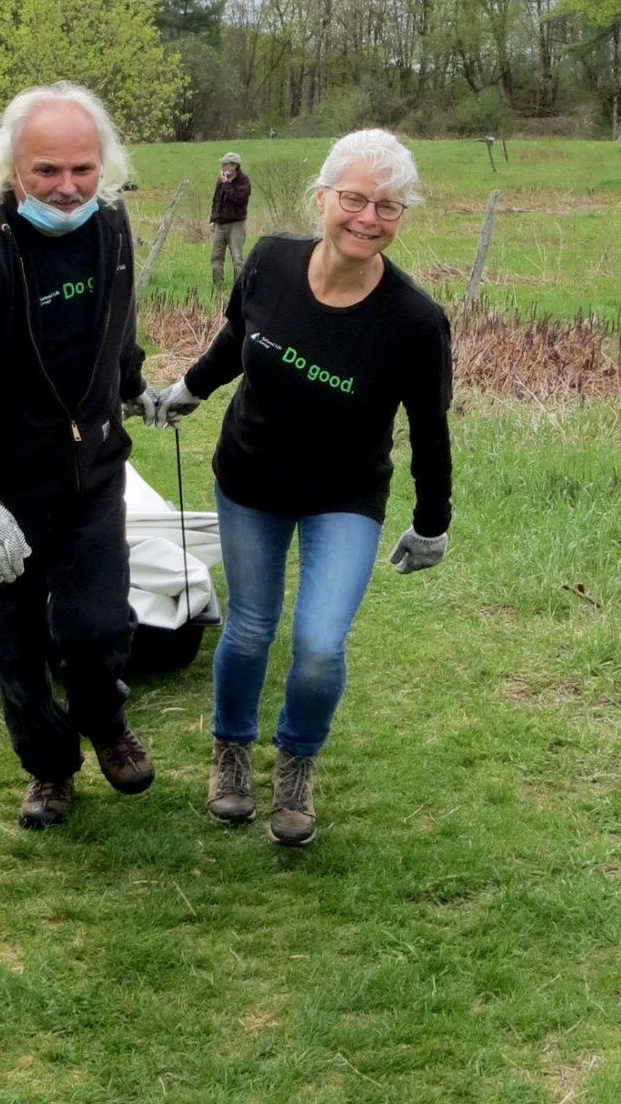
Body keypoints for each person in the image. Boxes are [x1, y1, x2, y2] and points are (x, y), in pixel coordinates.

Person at [153, 129, 452, 847]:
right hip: (251, 474)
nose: (367, 217)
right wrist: (188, 390)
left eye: (388, 205)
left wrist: (432, 522)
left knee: (318, 642)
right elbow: (236, 339)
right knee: (252, 625)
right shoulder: (270, 262)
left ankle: (295, 764)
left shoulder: (414, 322)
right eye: (353, 197)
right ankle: (231, 755)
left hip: (344, 493)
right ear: (322, 197)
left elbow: (431, 429)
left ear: (401, 215)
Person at [0, 82, 160, 830]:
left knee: (97, 630)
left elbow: (115, 322)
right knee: (13, 655)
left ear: (104, 167)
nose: (66, 188)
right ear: (10, 166)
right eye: (47, 170)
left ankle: (105, 720)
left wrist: (133, 385)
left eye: (82, 170)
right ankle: (50, 767)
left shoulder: (110, 226)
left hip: (89, 480)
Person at [208, 152, 251, 297]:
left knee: (237, 258)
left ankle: (238, 291)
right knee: (216, 257)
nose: (222, 166)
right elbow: (216, 201)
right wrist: (212, 219)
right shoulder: (221, 181)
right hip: (220, 223)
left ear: (234, 166)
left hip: (236, 224)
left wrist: (226, 184)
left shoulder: (244, 181)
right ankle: (217, 289)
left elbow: (238, 199)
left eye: (225, 164)